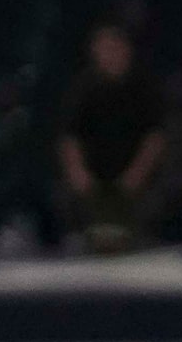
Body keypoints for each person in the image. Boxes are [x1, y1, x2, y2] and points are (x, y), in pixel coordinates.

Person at [57, 22, 169, 254]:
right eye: (103, 50)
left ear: (126, 50)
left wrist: (136, 175)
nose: (109, 56)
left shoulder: (145, 87)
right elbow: (70, 137)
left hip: (135, 174)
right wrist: (78, 173)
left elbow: (155, 138)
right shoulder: (83, 88)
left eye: (113, 49)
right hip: (95, 175)